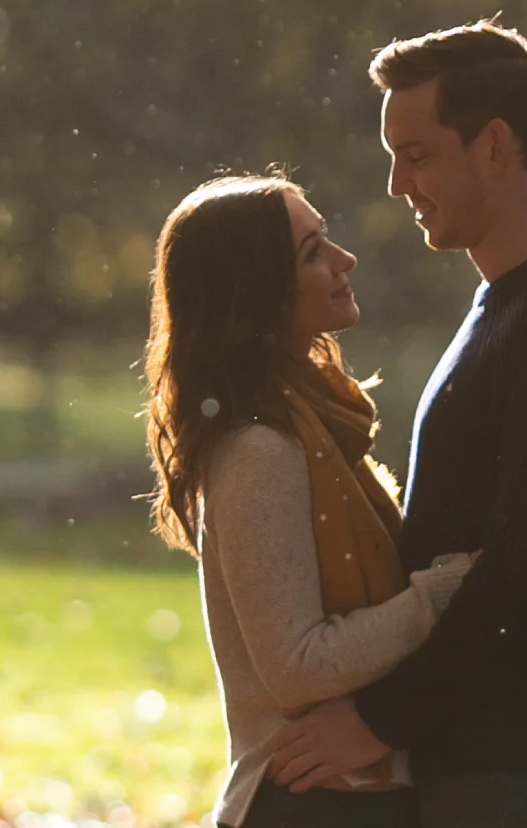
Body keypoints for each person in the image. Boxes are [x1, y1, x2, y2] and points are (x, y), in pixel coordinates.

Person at [267, 22, 527, 828]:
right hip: (502, 765)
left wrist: (377, 719)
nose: (393, 183)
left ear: (493, 146)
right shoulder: (517, 303)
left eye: (415, 154)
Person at [144, 173, 473, 828]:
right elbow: (297, 665)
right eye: (313, 251)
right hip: (306, 800)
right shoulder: (257, 449)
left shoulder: (311, 425)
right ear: (257, 289)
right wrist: (439, 596)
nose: (344, 260)